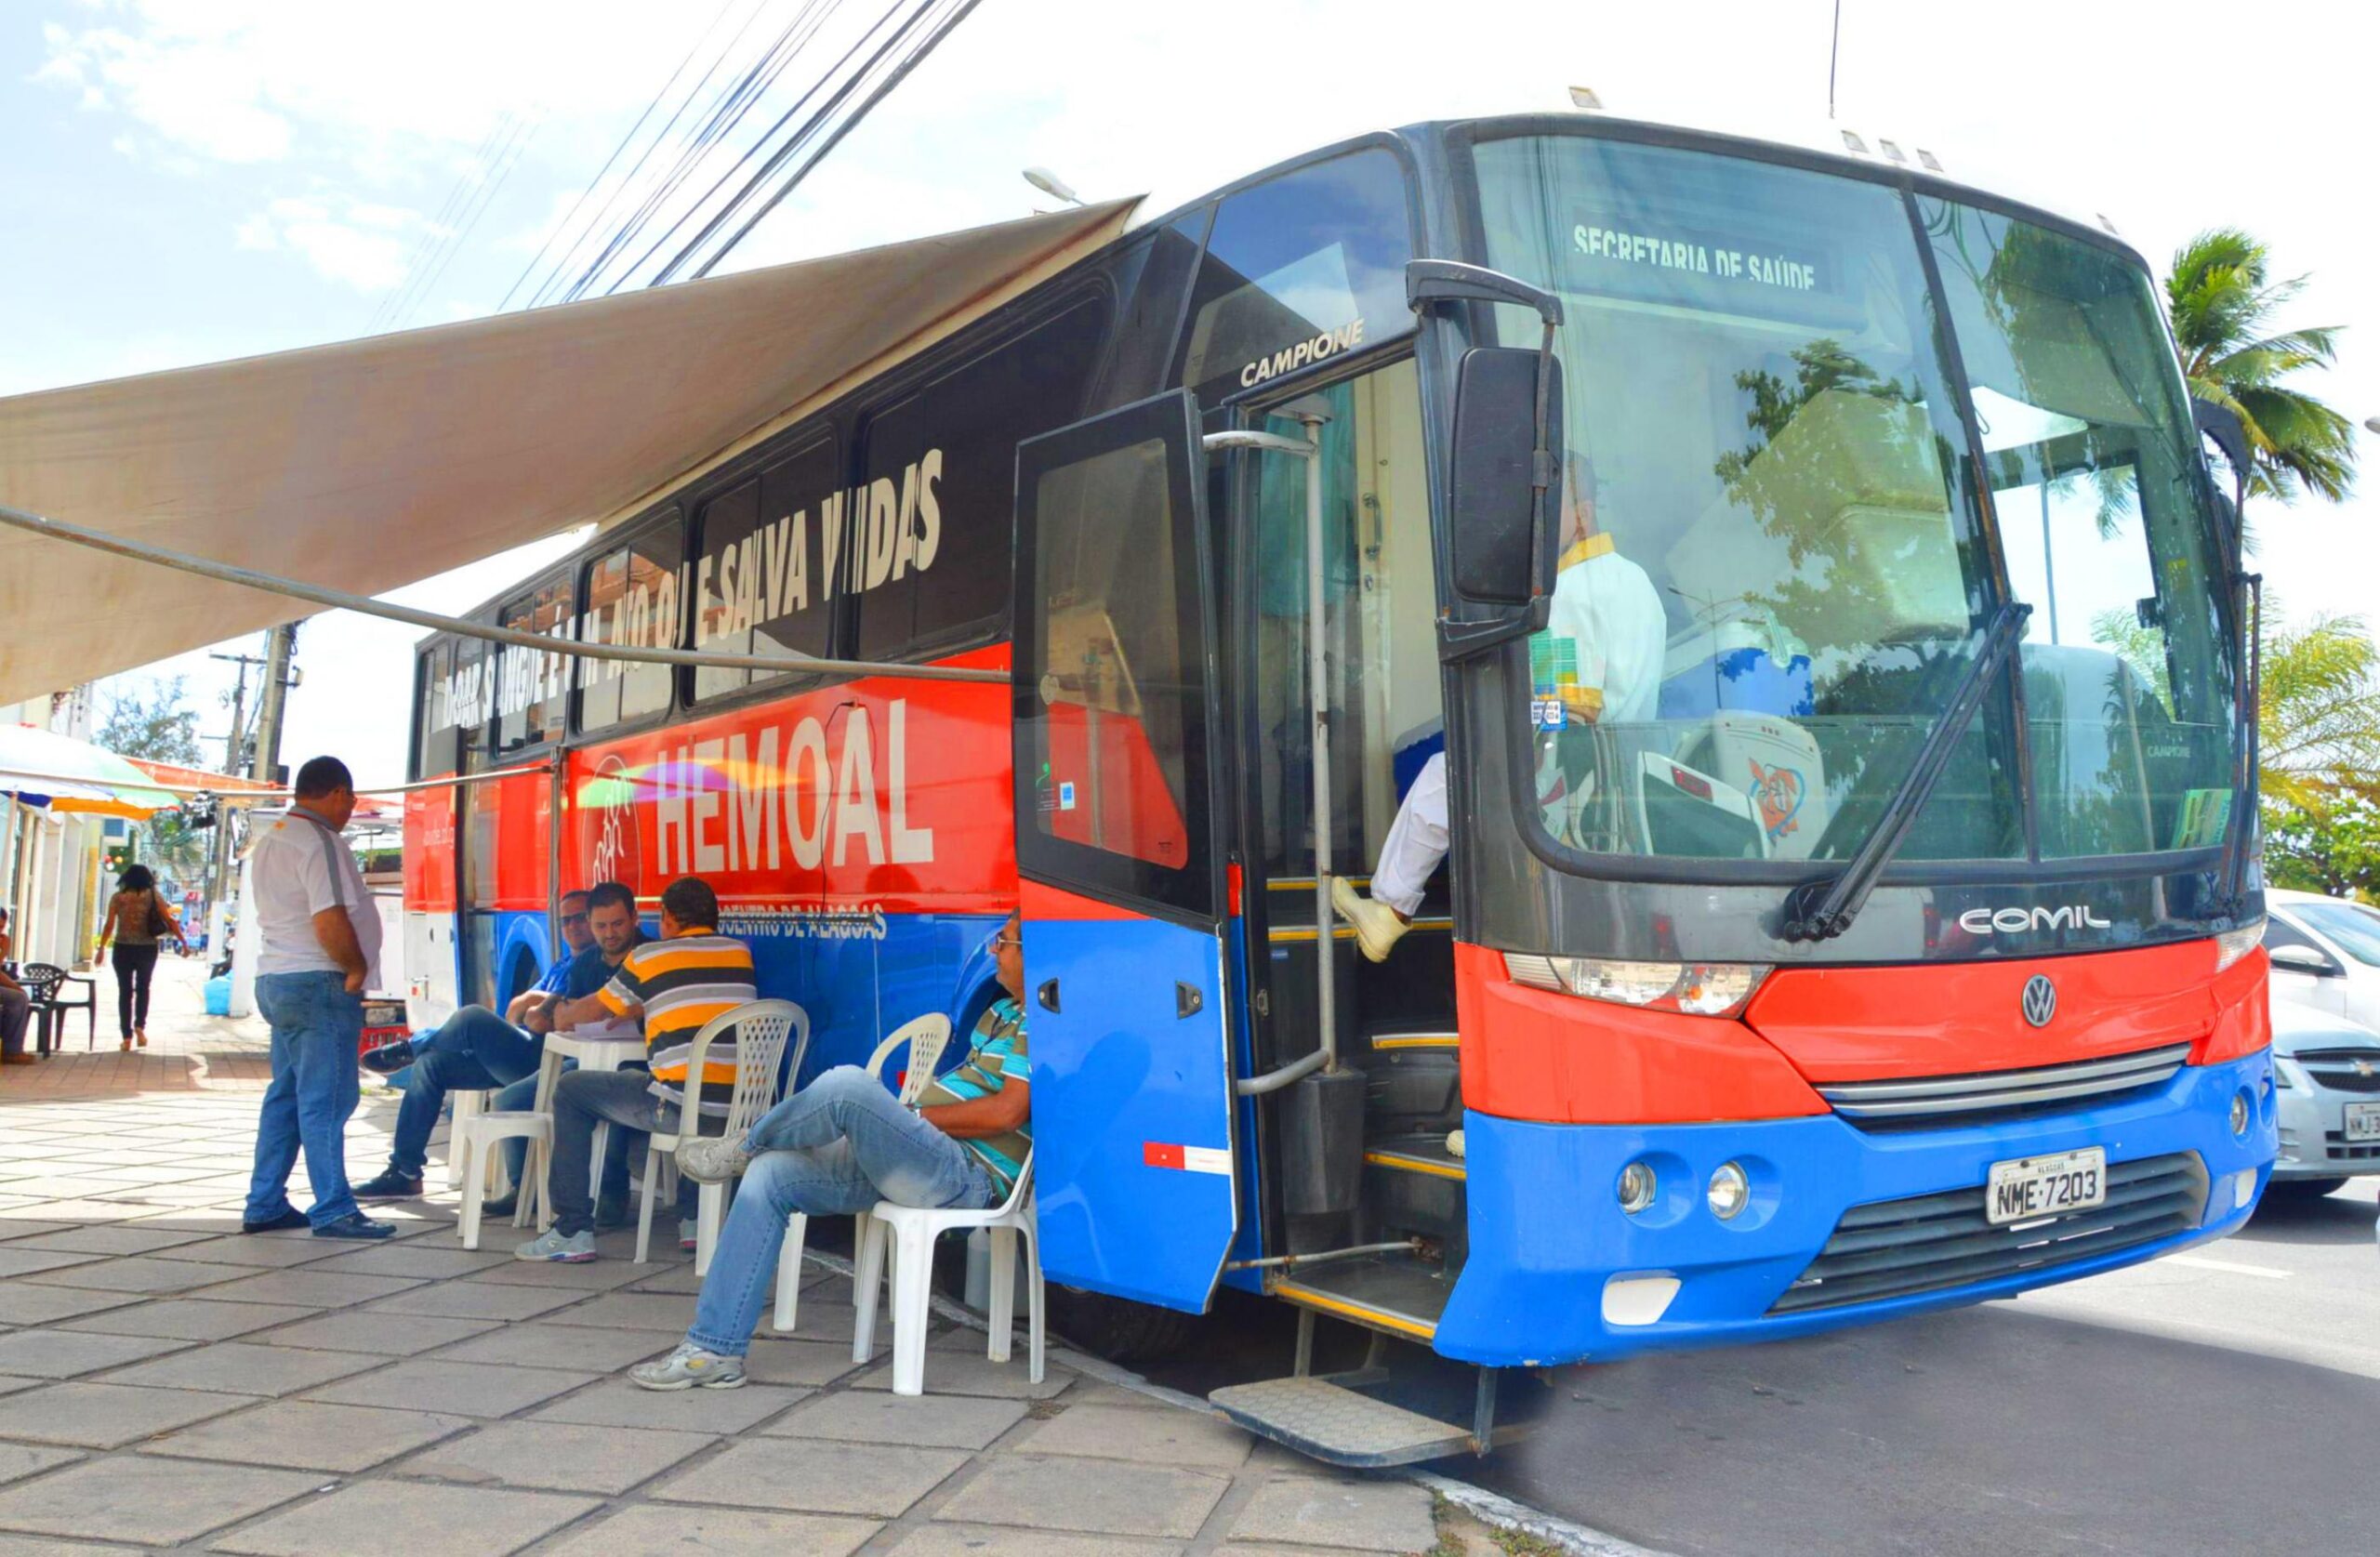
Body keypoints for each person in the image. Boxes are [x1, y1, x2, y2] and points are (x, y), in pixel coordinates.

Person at [628, 914, 1029, 1391]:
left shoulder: (1045, 1021)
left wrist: (915, 1119)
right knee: (770, 1175)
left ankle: (746, 1141)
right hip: (929, 1156)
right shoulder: (1001, 1012)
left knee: (846, 1085)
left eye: (1002, 943)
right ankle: (714, 1349)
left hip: (966, 1175)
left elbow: (1008, 1113)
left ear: (1034, 952)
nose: (992, 952)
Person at [1331, 454, 1666, 963]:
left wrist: (1512, 755)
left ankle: (1389, 911)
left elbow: (1569, 715)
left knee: (1443, 777)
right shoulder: (1639, 584)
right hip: (1616, 783)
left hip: (1570, 783)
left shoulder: (1570, 592)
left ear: (1584, 513)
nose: (1535, 529)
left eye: (1547, 512)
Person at [350, 884, 644, 1203]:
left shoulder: (638, 958)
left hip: (552, 1057)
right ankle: (405, 1171)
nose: (576, 927)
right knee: (431, 1065)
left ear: (633, 919)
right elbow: (528, 1010)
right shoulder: (579, 963)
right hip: (541, 1048)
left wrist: (548, 1008)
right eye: (569, 921)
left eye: (581, 920)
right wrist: (547, 1006)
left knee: (472, 1018)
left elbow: (548, 1018)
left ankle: (411, 1046)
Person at [514, 876, 756, 1263]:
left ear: (667, 918)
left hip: (675, 1110)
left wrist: (559, 1013)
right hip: (742, 1112)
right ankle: (693, 1220)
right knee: (699, 1090)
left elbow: (590, 1010)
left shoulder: (650, 957)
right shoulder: (739, 954)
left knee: (572, 1090)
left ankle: (572, 1229)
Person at [239, 755, 392, 1241]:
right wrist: (355, 967)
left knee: (286, 1096)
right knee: (328, 1100)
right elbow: (328, 918)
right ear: (339, 795)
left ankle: (265, 1202)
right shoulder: (319, 838)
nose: (349, 811)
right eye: (349, 801)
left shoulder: (273, 837)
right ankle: (334, 1207)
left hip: (279, 980)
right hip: (317, 981)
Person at [94, 863, 187, 1051]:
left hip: (122, 948)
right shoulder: (154, 896)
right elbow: (170, 920)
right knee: (143, 988)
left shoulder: (118, 898)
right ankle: (140, 1027)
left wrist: (102, 947)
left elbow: (110, 925)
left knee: (124, 991)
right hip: (147, 948)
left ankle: (126, 1037)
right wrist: (183, 943)